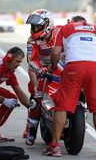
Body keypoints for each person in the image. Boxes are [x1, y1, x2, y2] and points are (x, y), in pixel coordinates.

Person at [43, 16, 96, 157]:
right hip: (95, 69)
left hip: (74, 67)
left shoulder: (66, 28)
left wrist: (52, 68)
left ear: (73, 22)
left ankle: (55, 146)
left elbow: (56, 52)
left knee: (62, 106)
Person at [23, 9, 63, 146]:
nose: (33, 29)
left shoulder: (61, 32)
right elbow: (31, 60)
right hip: (44, 71)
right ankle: (31, 131)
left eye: (36, 26)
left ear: (47, 24)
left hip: (65, 70)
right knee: (35, 99)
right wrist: (40, 70)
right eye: (32, 26)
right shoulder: (32, 40)